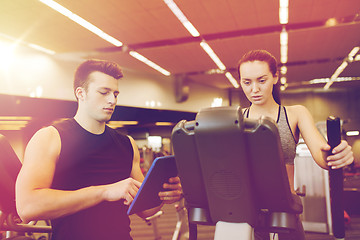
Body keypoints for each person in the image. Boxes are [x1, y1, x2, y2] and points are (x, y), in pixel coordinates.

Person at [15, 59, 182, 240]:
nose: (112, 100)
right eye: (104, 92)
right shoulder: (50, 137)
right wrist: (104, 192)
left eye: (115, 94)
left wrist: (164, 194)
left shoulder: (127, 144)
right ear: (81, 93)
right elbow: (28, 207)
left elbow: (146, 210)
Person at [238, 50, 354, 238]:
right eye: (247, 82)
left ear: (275, 77)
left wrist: (336, 154)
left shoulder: (295, 114)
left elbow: (321, 155)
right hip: (247, 213)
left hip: (284, 211)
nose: (254, 89)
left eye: (261, 80)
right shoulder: (235, 119)